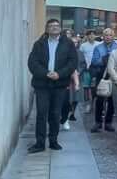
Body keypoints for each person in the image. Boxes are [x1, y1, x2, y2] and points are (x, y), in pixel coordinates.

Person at [27, 20, 78, 153]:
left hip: (59, 84)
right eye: (51, 26)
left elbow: (72, 62)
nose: (54, 28)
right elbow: (32, 63)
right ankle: (39, 143)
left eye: (56, 26)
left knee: (55, 114)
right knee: (41, 113)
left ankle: (53, 141)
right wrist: (46, 73)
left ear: (60, 28)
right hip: (42, 84)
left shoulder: (68, 44)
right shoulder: (39, 44)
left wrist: (59, 74)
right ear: (46, 29)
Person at [90, 28, 117, 132]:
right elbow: (94, 61)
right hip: (101, 74)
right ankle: (98, 122)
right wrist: (105, 58)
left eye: (110, 35)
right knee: (100, 99)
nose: (108, 37)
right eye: (106, 35)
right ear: (103, 36)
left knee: (112, 100)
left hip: (115, 75)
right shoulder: (98, 47)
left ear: (113, 36)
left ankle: (108, 123)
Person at [79, 29, 98, 113]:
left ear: (95, 35)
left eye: (93, 34)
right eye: (90, 34)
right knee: (86, 87)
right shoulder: (83, 46)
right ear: (87, 36)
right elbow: (80, 57)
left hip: (96, 69)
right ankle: (87, 104)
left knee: (94, 87)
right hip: (86, 69)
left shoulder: (99, 44)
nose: (91, 36)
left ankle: (93, 103)